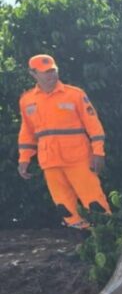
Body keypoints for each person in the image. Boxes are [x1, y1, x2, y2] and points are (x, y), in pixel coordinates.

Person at [17, 54, 110, 229]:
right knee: (64, 206)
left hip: (79, 159)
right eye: (45, 72)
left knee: (94, 201)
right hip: (50, 161)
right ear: (33, 73)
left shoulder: (74, 94)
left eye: (53, 70)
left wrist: (98, 152)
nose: (51, 75)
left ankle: (107, 235)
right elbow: (27, 132)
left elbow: (93, 125)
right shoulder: (27, 100)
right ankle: (81, 238)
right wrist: (24, 158)